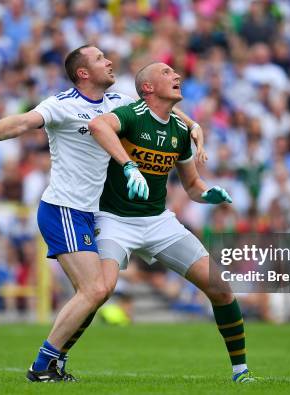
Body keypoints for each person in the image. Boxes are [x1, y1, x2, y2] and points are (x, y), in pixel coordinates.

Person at [0, 46, 204, 382]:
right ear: (83, 72)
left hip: (91, 213)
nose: (109, 62)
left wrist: (193, 123)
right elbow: (23, 122)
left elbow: (155, 109)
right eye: (100, 59)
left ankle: (54, 362)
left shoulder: (118, 103)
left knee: (99, 290)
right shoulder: (62, 104)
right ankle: (41, 366)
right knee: (95, 289)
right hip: (64, 208)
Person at [88, 62, 257, 383]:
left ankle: (241, 372)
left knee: (220, 289)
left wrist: (210, 194)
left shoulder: (180, 131)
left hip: (158, 221)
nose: (176, 76)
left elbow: (193, 186)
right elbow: (98, 126)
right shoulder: (131, 115)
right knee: (100, 290)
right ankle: (55, 359)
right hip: (114, 219)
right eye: (167, 73)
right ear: (148, 87)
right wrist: (128, 166)